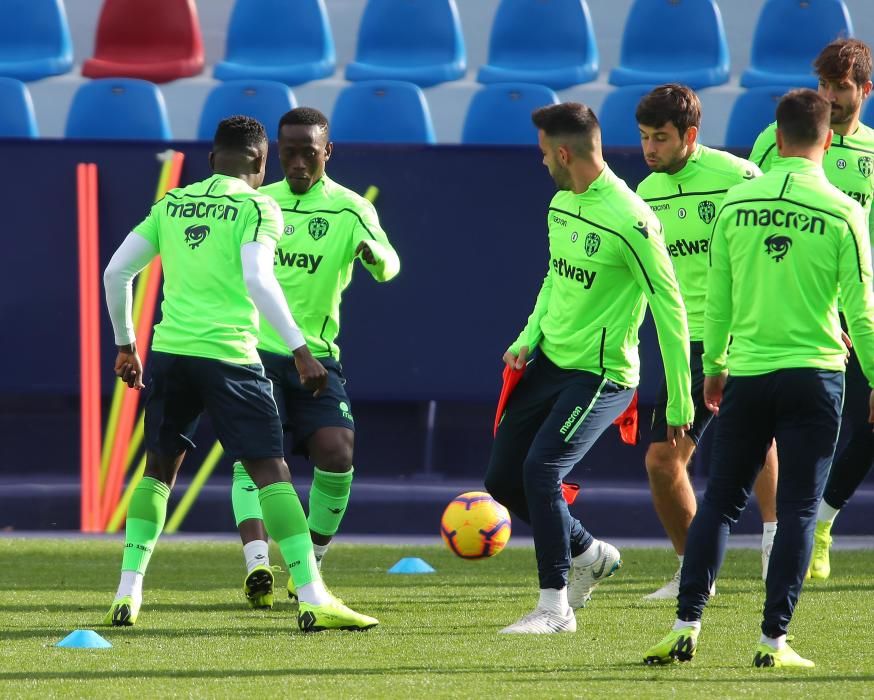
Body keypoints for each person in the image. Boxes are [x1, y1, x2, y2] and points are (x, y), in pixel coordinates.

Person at [101, 115, 378, 632]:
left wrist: (125, 345)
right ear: (260, 161)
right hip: (231, 357)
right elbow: (258, 278)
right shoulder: (258, 206)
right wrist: (300, 349)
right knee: (271, 472)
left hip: (171, 353)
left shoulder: (173, 204)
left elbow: (116, 271)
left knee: (157, 472)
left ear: (210, 160)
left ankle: (127, 592)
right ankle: (313, 595)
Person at [644, 89, 874, 668]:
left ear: (776, 135)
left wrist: (716, 366)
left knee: (720, 500)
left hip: (745, 370)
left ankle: (686, 625)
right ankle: (772, 641)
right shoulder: (844, 211)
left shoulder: (735, 204)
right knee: (798, 509)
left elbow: (716, 297)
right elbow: (863, 312)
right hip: (815, 375)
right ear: (827, 139)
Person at [484, 102, 694, 634]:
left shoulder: (631, 218)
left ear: (562, 152)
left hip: (603, 376)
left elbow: (670, 306)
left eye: (542, 154)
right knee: (502, 479)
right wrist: (528, 337)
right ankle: (590, 553)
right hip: (550, 363)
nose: (541, 164)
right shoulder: (561, 204)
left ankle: (554, 609)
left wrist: (680, 396)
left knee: (541, 470)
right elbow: (555, 279)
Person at [229, 107, 400, 609]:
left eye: (310, 152)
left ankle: (312, 561)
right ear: (274, 153)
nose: (299, 162)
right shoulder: (259, 203)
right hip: (253, 353)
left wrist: (373, 254)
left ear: (328, 152)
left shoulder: (350, 209)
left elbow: (391, 265)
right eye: (290, 152)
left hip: (317, 357)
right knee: (255, 459)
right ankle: (257, 563)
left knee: (337, 452)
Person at [635, 84, 779, 599]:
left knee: (741, 442)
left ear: (689, 136)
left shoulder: (739, 179)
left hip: (742, 333)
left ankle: (771, 538)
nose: (650, 149)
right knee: (667, 461)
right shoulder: (644, 195)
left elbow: (779, 254)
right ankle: (692, 569)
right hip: (683, 345)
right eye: (645, 137)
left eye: (661, 138)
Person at [749, 38, 874, 580]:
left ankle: (821, 518)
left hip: (861, 305)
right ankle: (777, 533)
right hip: (793, 308)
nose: (829, 96)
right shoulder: (774, 144)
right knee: (769, 421)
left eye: (840, 87)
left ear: (864, 91)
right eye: (823, 85)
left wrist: (853, 311)